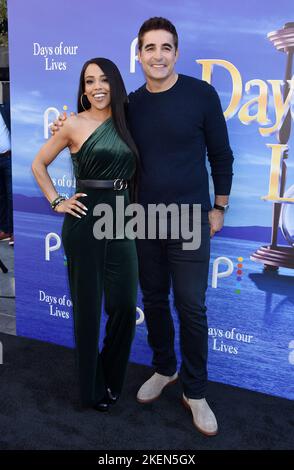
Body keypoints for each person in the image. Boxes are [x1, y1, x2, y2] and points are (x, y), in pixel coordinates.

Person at [51, 17, 234, 436]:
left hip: (190, 217)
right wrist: (60, 128)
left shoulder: (202, 94)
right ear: (139, 56)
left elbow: (221, 156)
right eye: (149, 48)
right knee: (152, 298)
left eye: (165, 47)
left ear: (176, 53)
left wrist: (219, 206)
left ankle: (196, 390)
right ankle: (164, 367)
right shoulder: (129, 105)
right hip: (140, 218)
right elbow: (93, 127)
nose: (158, 55)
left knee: (191, 304)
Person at [32, 58, 139, 412]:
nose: (97, 87)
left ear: (115, 83)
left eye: (104, 79)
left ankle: (109, 375)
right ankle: (92, 388)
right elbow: (38, 164)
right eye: (89, 81)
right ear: (83, 88)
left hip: (123, 218)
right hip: (85, 219)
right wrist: (57, 201)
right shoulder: (73, 124)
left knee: (123, 305)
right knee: (88, 309)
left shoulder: (129, 119)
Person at [0, 99, 14, 246]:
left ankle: (14, 232)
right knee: (1, 196)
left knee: (11, 196)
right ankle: (5, 230)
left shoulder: (6, 109)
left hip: (8, 157)